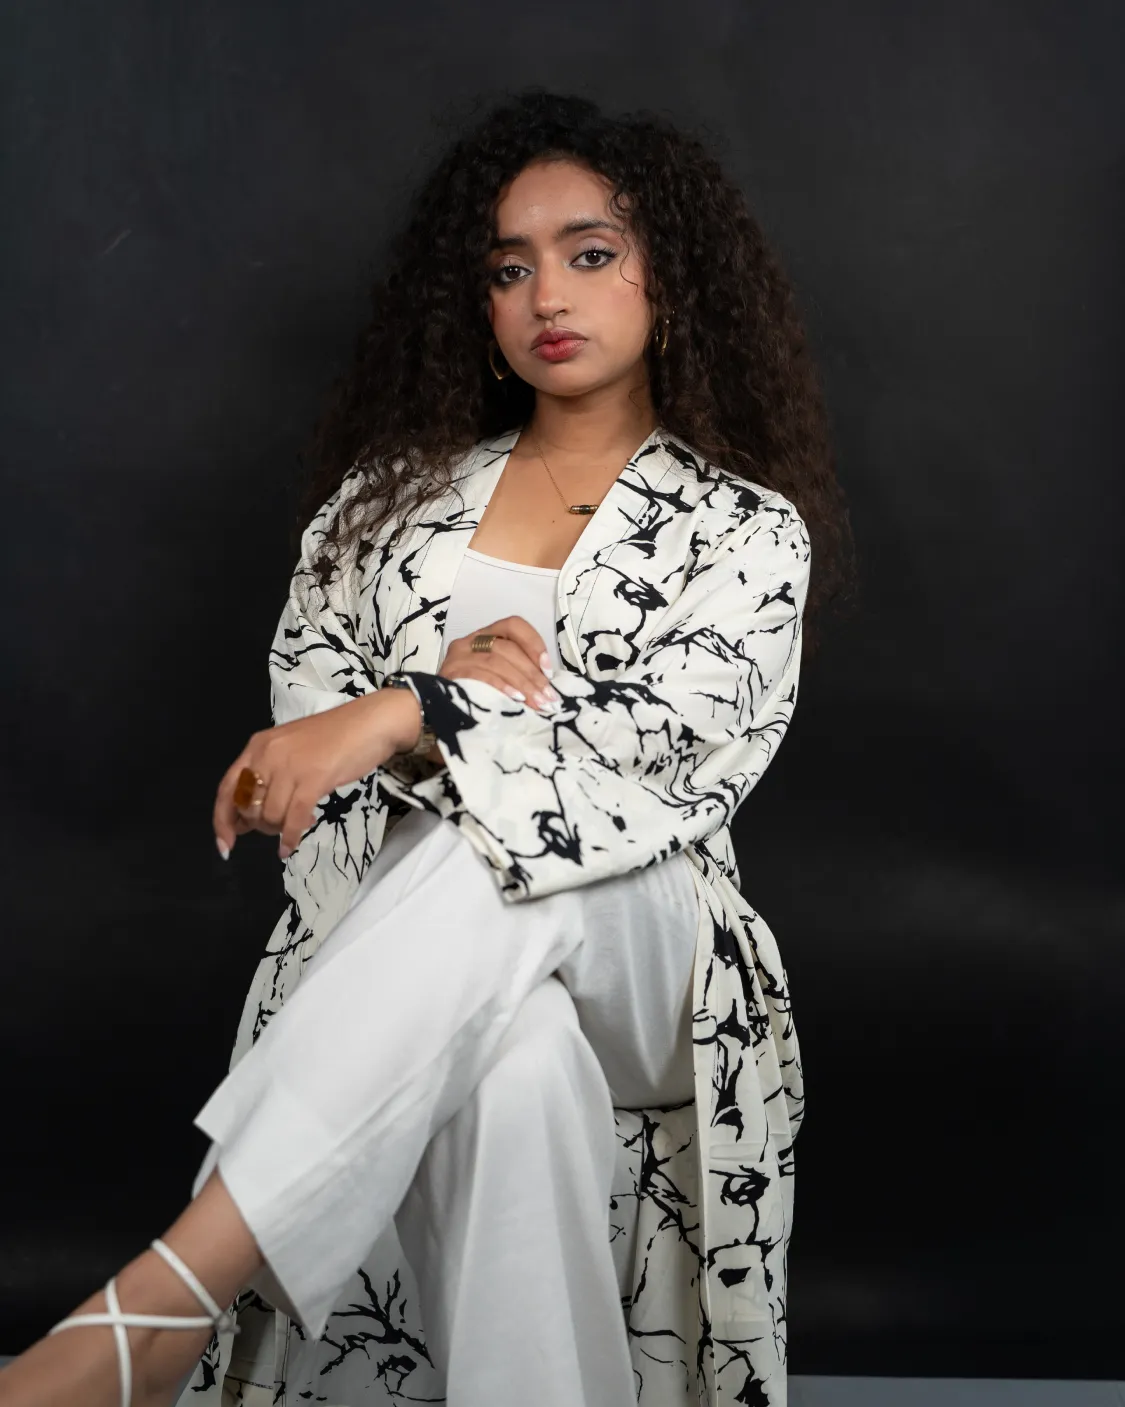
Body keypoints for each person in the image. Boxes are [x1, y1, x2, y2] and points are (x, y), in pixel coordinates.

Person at [0, 90, 850, 1407]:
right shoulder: (380, 512)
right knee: (515, 1065)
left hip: (656, 951)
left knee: (511, 854)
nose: (546, 295)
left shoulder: (743, 530)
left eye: (590, 252)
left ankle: (164, 1299)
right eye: (508, 269)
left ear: (671, 277)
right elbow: (293, 781)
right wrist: (396, 718)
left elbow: (660, 764)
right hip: (427, 931)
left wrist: (413, 710)